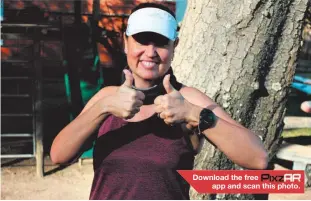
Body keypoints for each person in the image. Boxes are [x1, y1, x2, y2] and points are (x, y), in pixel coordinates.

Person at [50, 3, 268, 200]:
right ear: (125, 42)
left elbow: (258, 158)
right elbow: (59, 155)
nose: (151, 52)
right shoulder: (107, 97)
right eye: (142, 40)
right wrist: (104, 108)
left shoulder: (187, 98)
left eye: (161, 42)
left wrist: (194, 114)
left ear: (175, 47)